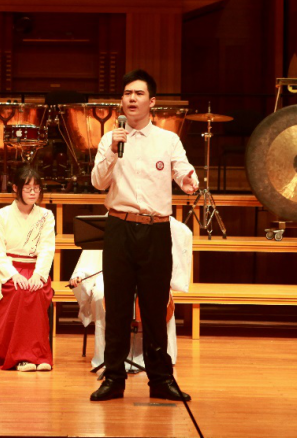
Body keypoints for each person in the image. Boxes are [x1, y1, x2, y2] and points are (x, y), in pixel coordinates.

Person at [90, 69, 198, 402]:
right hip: (119, 228)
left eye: (138, 93)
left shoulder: (168, 140)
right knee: (118, 308)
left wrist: (190, 180)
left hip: (155, 230)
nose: (132, 98)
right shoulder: (110, 139)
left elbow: (182, 171)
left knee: (154, 308)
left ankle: (161, 380)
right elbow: (98, 182)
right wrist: (112, 149)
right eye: (127, 94)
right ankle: (113, 378)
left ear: (152, 102)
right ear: (121, 101)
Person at [70, 217, 192, 372]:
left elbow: (182, 232)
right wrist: (81, 274)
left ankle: (153, 357)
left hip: (148, 270)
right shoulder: (112, 217)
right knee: (101, 293)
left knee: (157, 294)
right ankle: (111, 356)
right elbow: (90, 257)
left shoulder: (153, 215)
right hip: (112, 272)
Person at [0, 165, 56, 372]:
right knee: (20, 292)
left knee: (36, 291)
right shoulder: (2, 215)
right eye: (28, 188)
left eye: (37, 188)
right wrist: (13, 275)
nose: (33, 192)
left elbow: (47, 248)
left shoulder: (46, 215)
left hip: (35, 270)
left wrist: (39, 275)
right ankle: (20, 357)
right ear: (16, 188)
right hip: (8, 270)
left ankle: (39, 355)